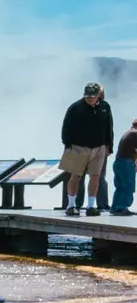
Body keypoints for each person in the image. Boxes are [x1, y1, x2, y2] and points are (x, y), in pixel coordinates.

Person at [60, 82, 114, 216]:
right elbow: (66, 127)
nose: (89, 98)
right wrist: (68, 145)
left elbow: (109, 127)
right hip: (78, 147)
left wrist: (109, 146)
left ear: (98, 96)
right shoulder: (75, 108)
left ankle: (91, 206)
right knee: (75, 176)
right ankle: (71, 205)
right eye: (87, 96)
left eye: (92, 96)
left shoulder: (105, 107)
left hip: (99, 147)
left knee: (95, 177)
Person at [114, 118, 137, 217]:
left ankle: (115, 208)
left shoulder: (129, 132)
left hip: (119, 162)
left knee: (120, 187)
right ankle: (122, 208)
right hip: (127, 163)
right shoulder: (135, 134)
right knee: (128, 187)